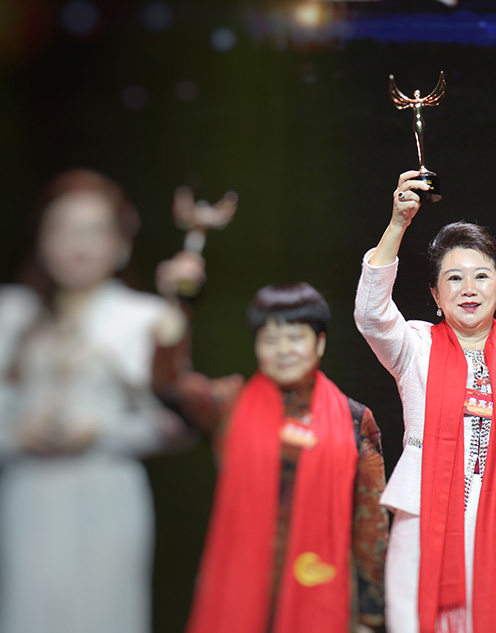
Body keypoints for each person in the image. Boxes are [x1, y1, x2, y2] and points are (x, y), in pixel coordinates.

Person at [354, 171, 496, 633]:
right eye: (454, 278)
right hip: (423, 524)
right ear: (436, 296)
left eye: (482, 277)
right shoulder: (414, 347)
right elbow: (371, 314)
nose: (469, 288)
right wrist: (397, 224)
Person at [0, 169, 196, 633]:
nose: (77, 244)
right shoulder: (11, 314)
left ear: (120, 242)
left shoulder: (145, 317)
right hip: (29, 491)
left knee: (104, 611)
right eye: (63, 228)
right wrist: (16, 433)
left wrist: (101, 431)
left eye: (93, 230)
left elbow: (178, 421)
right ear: (41, 239)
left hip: (106, 491)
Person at [172, 282, 389, 633]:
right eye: (270, 339)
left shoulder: (354, 419)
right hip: (242, 581)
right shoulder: (230, 404)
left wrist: (370, 616)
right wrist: (178, 308)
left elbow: (371, 526)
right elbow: (170, 387)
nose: (283, 350)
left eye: (295, 337)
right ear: (256, 346)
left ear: (320, 343)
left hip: (319, 583)